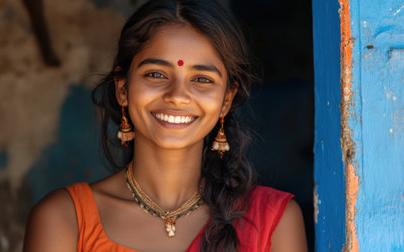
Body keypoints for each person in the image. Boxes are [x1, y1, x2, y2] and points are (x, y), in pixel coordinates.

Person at [23, 0, 307, 251]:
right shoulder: (64, 219)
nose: (177, 96)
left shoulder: (273, 221)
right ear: (123, 89)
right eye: (156, 74)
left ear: (225, 100)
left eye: (202, 79)